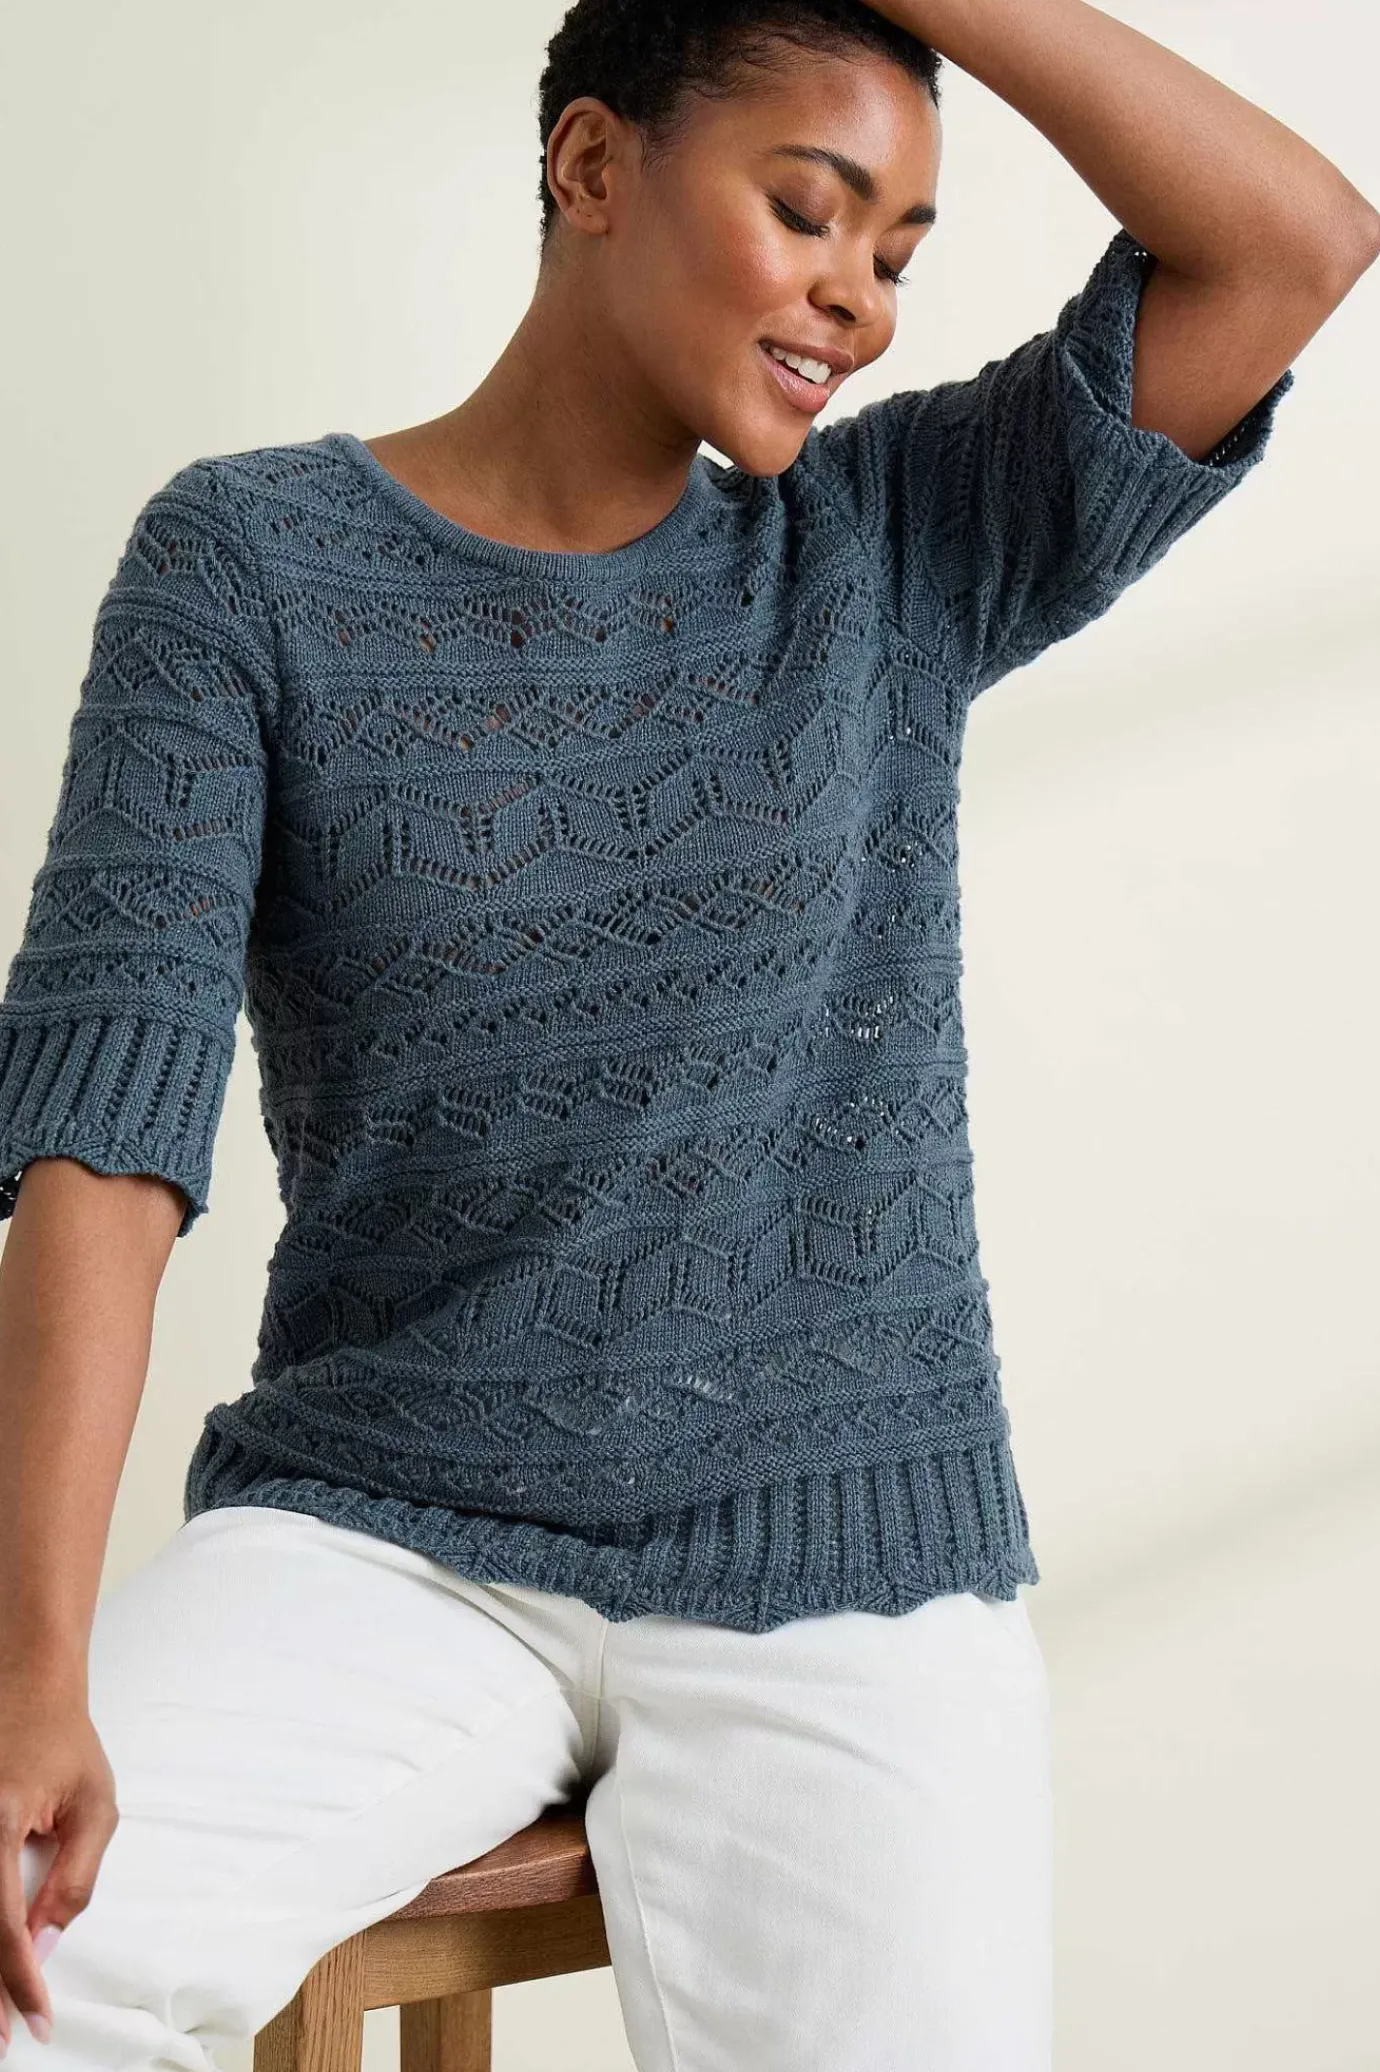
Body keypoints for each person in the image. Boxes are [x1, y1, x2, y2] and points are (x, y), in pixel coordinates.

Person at [0, 0, 1373, 2066]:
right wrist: (32, 1665)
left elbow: (1294, 241)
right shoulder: (247, 568)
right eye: (811, 212)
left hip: (849, 1552)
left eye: (898, 253)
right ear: (589, 168)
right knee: (26, 1957)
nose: (861, 301)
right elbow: (106, 1126)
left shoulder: (896, 546)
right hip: (385, 1530)